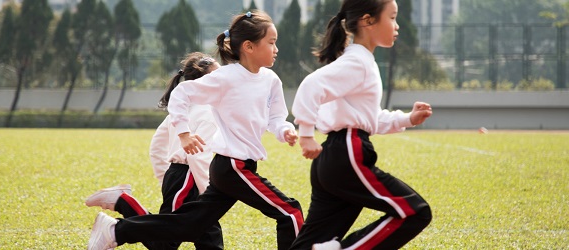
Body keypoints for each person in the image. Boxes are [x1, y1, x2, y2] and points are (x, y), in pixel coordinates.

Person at [87, 10, 303, 250]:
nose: (276, 49)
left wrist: (285, 130)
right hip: (233, 166)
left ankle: (116, 230)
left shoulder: (271, 80)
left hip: (233, 167)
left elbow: (275, 117)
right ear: (249, 47)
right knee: (291, 212)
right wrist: (184, 134)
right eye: (271, 43)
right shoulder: (225, 78)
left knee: (191, 225)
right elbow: (181, 93)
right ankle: (119, 227)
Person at [288, 0, 433, 249]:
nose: (397, 26)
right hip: (348, 153)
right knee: (415, 211)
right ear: (368, 21)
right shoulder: (358, 62)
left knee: (311, 244)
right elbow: (312, 86)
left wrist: (407, 119)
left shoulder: (360, 61)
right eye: (392, 18)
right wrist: (306, 134)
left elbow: (368, 117)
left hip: (333, 157)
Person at [85, 52, 223, 249]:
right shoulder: (209, 111)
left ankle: (122, 203)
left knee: (208, 234)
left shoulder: (182, 111)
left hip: (177, 177)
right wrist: (208, 191)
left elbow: (157, 146)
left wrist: (164, 177)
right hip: (189, 180)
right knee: (165, 241)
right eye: (218, 76)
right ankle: (122, 203)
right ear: (204, 82)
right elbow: (199, 156)